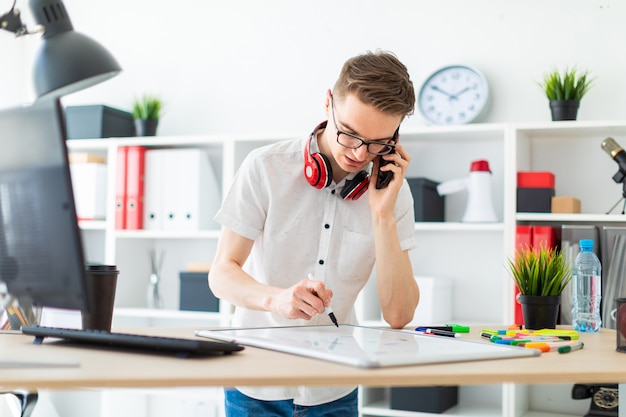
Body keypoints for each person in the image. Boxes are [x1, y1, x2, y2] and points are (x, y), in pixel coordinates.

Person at [209, 50, 420, 417]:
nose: (359, 153)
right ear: (327, 104)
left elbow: (399, 314)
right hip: (255, 382)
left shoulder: (393, 193)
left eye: (378, 144)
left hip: (334, 388)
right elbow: (221, 274)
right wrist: (276, 300)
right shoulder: (265, 167)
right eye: (350, 134)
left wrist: (382, 215)